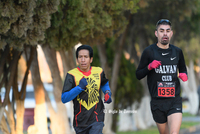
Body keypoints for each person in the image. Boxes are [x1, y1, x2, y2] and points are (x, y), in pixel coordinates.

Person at [136, 19, 188, 134]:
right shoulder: (149, 52)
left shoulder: (177, 51)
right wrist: (149, 67)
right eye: (162, 30)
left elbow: (183, 68)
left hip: (174, 100)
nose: (165, 33)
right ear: (156, 33)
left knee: (174, 132)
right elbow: (138, 75)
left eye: (167, 31)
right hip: (157, 102)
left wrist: (184, 74)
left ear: (171, 33)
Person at [61, 45, 112, 134]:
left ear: (91, 59)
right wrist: (79, 88)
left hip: (97, 117)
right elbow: (64, 98)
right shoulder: (71, 75)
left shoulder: (99, 71)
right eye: (80, 57)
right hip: (80, 122)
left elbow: (104, 83)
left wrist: (107, 92)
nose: (83, 60)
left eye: (86, 57)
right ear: (77, 60)